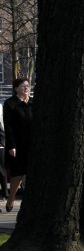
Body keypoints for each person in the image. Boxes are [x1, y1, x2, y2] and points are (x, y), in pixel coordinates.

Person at [3, 78, 33, 212]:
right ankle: (11, 199)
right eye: (23, 86)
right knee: (18, 173)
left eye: (28, 86)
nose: (26, 88)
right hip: (17, 144)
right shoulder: (10, 104)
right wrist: (11, 146)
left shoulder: (33, 103)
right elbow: (8, 126)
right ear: (16, 88)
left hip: (32, 143)